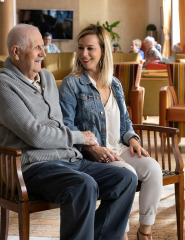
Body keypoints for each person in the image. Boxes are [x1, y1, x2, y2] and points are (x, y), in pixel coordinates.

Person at [0, 24, 138, 240]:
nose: (43, 53)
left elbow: (56, 123)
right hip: (32, 167)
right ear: (16, 52)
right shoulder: (4, 86)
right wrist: (79, 137)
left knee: (125, 178)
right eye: (36, 47)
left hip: (67, 159)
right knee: (83, 185)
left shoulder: (45, 77)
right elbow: (35, 134)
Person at [59, 24, 162, 240]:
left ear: (103, 51)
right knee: (129, 175)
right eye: (80, 48)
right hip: (96, 153)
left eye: (90, 49)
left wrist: (132, 138)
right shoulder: (72, 84)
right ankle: (119, 233)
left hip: (120, 147)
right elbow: (66, 125)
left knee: (153, 169)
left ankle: (145, 231)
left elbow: (125, 121)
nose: (84, 54)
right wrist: (92, 147)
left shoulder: (114, 83)